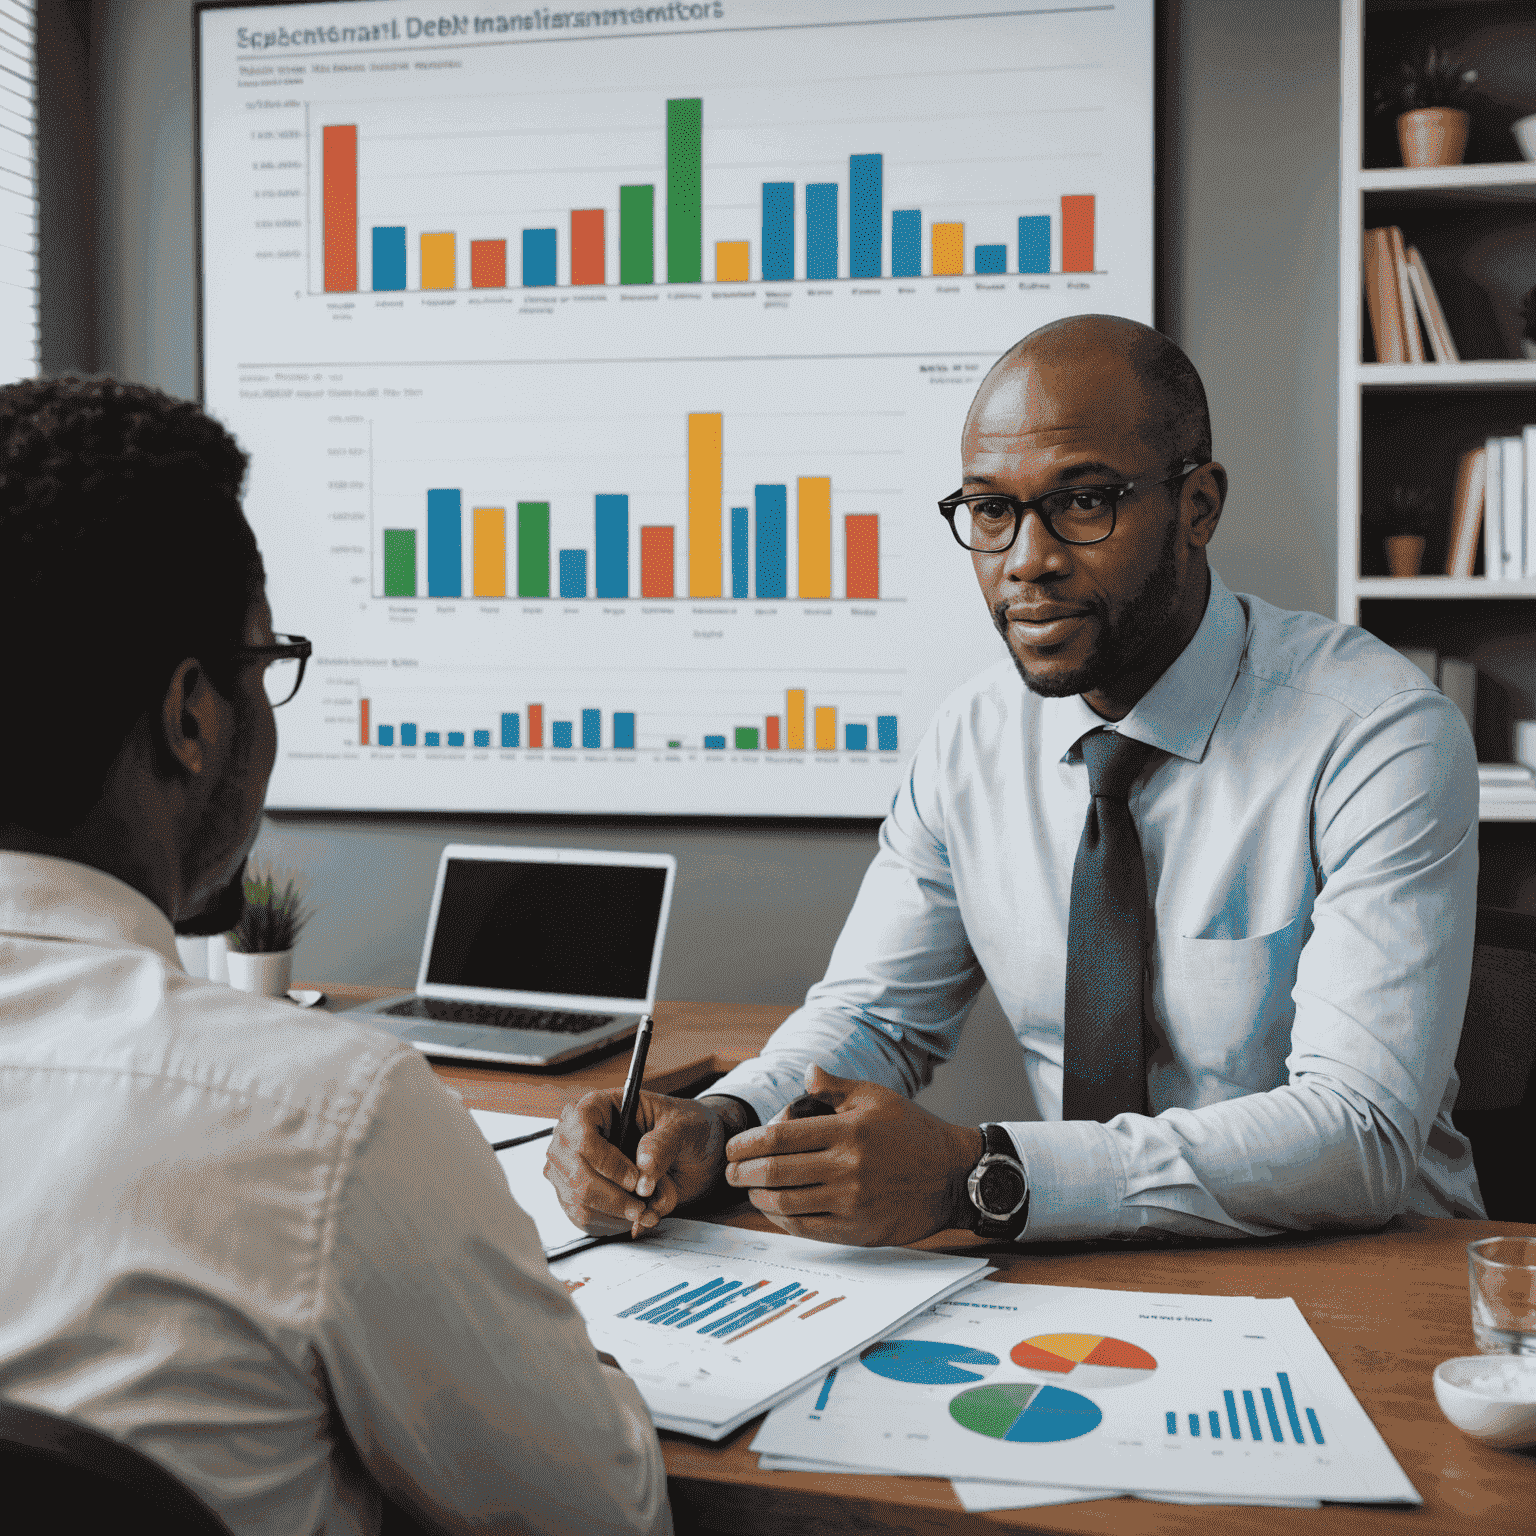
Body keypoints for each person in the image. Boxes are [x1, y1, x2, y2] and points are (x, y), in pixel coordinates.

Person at [546, 314, 1481, 1249]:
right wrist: (725, 1121)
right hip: (1081, 1265)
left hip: (1369, 1271)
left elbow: (1362, 1133)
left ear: (1197, 507)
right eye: (991, 511)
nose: (1026, 559)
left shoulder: (1378, 735)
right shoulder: (972, 738)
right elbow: (874, 1016)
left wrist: (979, 1174)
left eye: (1082, 502)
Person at [0, 378, 671, 1536]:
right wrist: (541, 1341)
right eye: (268, 661)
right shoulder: (327, 1119)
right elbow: (608, 1516)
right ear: (193, 717)